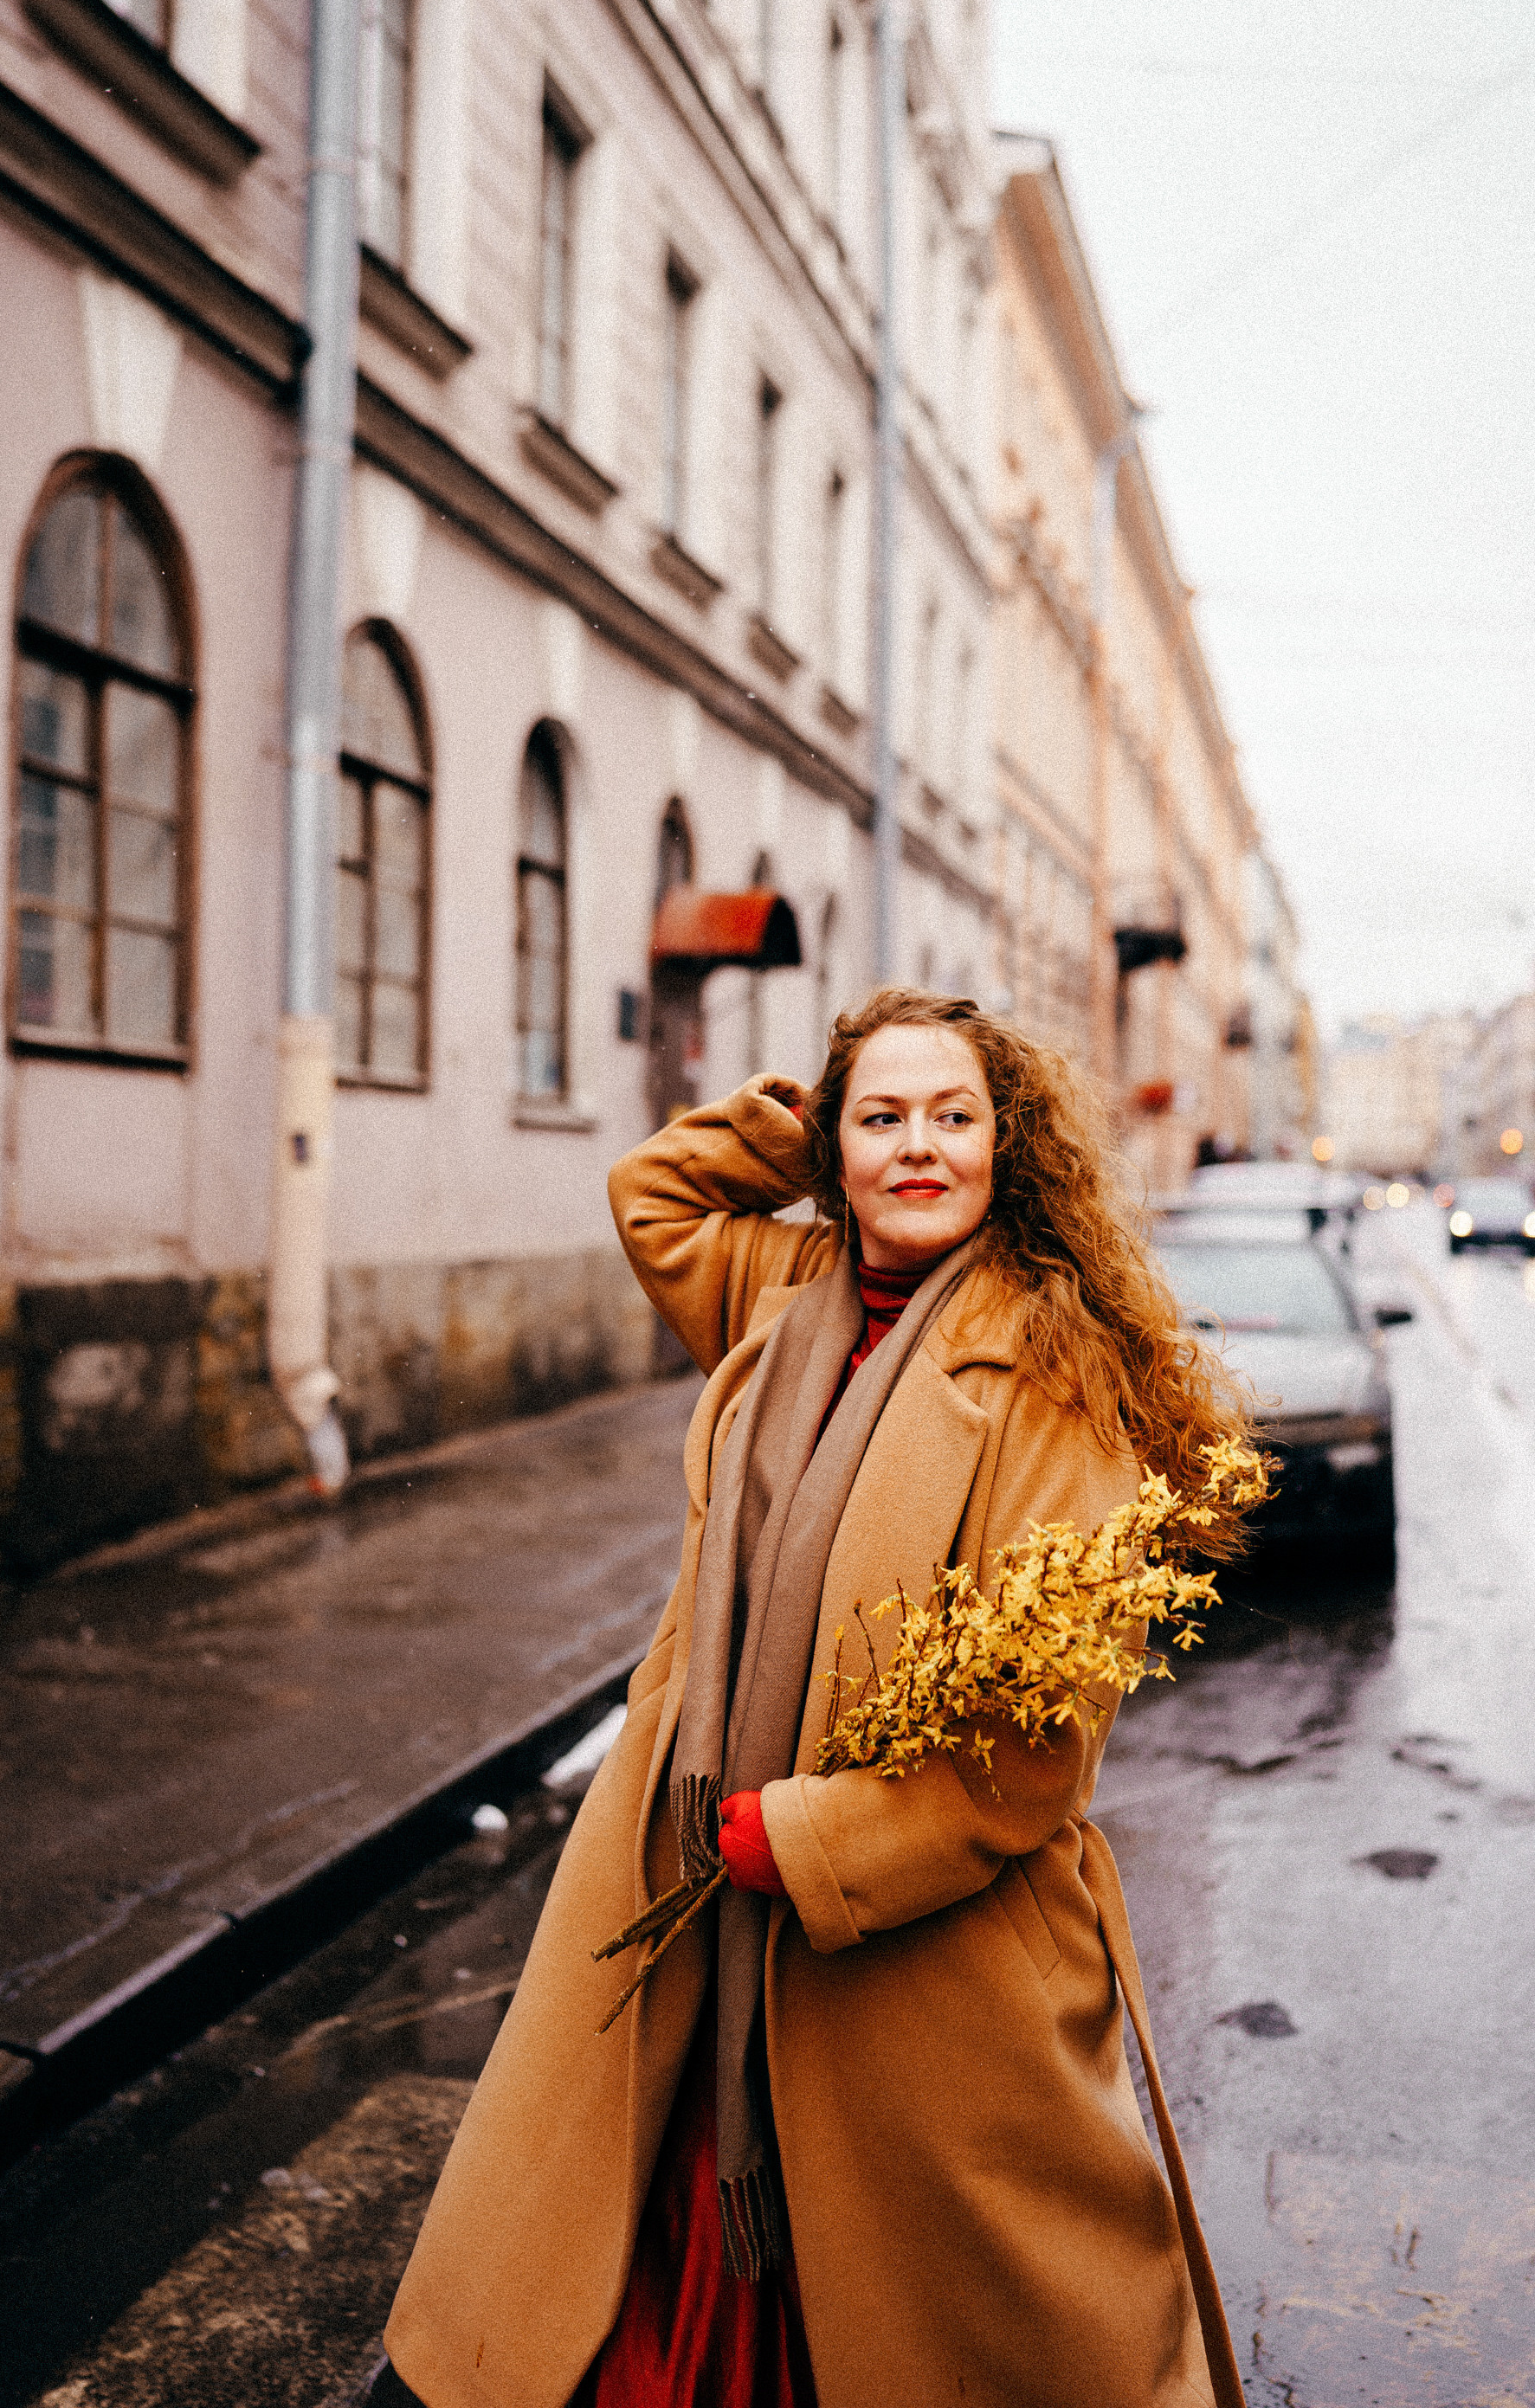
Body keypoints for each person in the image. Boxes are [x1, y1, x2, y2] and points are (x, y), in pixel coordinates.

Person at [384, 988, 1252, 2408]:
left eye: (955, 1119)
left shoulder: (1057, 1368)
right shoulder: (790, 1294)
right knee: (626, 2295)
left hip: (913, 1975)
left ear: (1009, 1146)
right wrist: (788, 1132)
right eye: (884, 1119)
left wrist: (808, 1840)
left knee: (915, 2333)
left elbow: (1035, 1749)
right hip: (692, 1924)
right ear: (835, 1153)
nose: (921, 1149)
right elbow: (653, 1198)